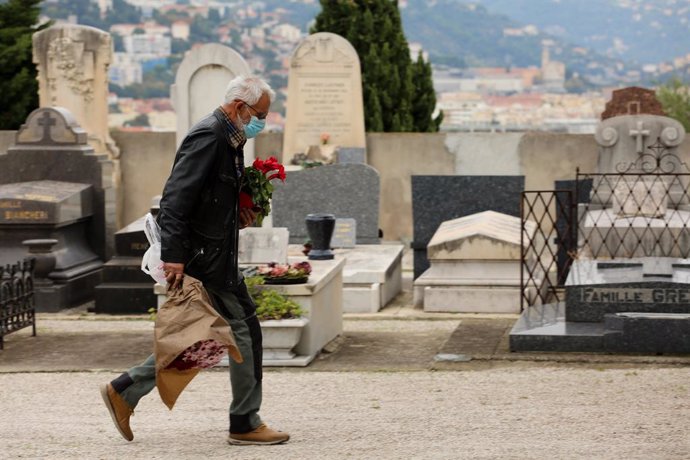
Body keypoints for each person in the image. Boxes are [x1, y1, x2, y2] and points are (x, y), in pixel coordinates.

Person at [100, 75, 289, 446]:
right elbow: (175, 199)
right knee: (243, 331)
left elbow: (209, 198)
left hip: (214, 252)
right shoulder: (210, 136)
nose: (262, 122)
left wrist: (239, 213)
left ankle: (126, 389)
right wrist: (173, 257)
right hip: (206, 258)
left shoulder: (230, 138)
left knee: (201, 338)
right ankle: (245, 422)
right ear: (239, 107)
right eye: (260, 114)